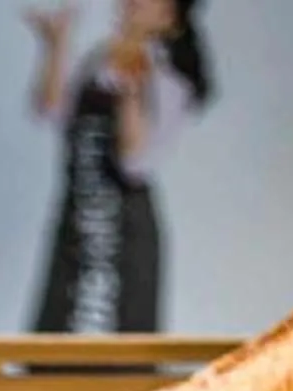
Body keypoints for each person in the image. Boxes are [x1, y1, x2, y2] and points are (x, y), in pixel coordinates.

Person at [26, 0, 214, 332]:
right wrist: (56, 45)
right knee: (55, 350)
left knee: (117, 356)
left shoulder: (169, 79)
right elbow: (52, 111)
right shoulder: (100, 59)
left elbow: (135, 161)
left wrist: (131, 92)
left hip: (121, 234)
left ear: (169, 15)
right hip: (77, 223)